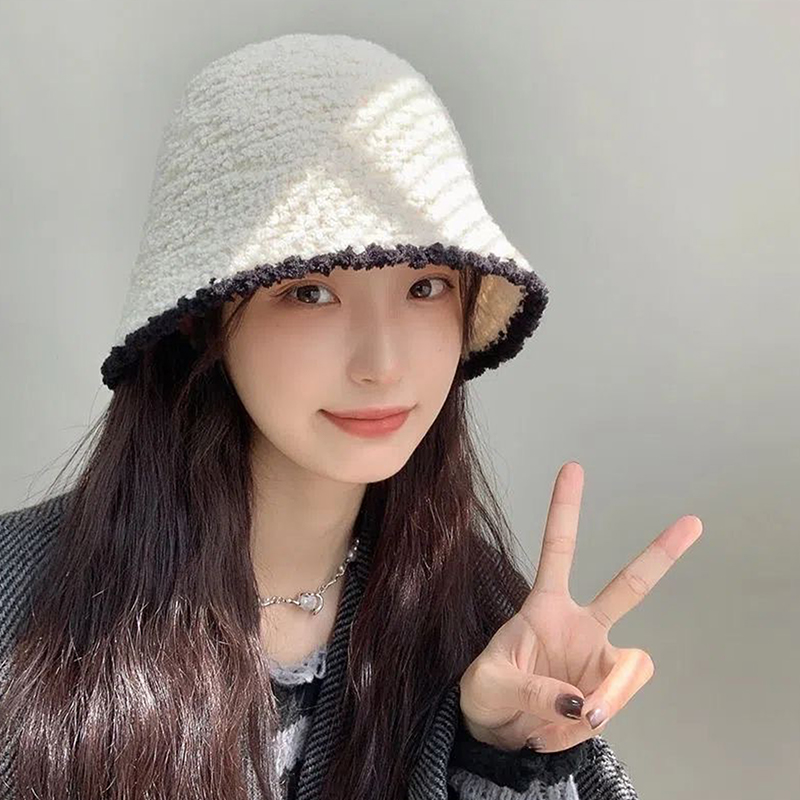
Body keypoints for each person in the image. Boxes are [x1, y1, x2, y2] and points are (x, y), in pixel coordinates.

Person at [0, 33, 659, 800]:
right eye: (310, 292)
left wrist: (504, 759)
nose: (382, 364)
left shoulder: (492, 633)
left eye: (425, 288)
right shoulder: (23, 605)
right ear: (202, 319)